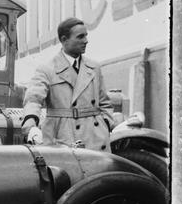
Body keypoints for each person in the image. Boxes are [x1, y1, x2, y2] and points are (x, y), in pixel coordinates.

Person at [22, 17, 115, 151]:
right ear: (64, 40)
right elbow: (33, 99)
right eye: (80, 37)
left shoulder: (94, 67)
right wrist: (30, 122)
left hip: (95, 138)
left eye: (86, 36)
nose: (86, 41)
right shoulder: (47, 69)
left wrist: (105, 125)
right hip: (62, 137)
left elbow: (105, 103)